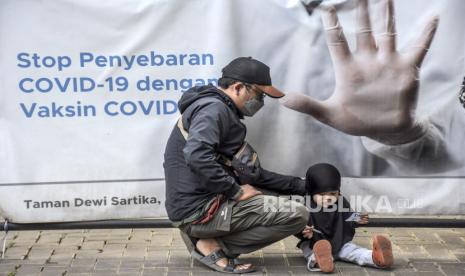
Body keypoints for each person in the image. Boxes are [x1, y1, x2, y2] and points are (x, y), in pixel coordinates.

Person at [163, 57, 310, 273]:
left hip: (203, 202)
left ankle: (204, 237)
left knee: (269, 196)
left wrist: (302, 186)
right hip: (200, 210)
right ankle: (209, 245)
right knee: (297, 214)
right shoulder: (214, 110)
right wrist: (235, 191)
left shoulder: (219, 109)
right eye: (259, 94)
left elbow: (251, 175)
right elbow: (196, 155)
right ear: (238, 87)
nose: (261, 102)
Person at [298, 163, 393, 272]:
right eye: (322, 194)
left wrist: (357, 218)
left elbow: (348, 215)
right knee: (309, 250)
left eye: (333, 194)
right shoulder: (305, 206)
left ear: (338, 192)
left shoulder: (341, 202)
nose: (328, 198)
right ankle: (320, 261)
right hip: (314, 243)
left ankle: (375, 258)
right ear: (311, 192)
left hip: (339, 243)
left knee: (354, 251)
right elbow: (297, 224)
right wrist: (304, 232)